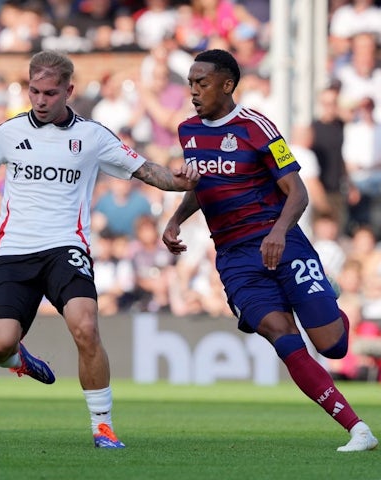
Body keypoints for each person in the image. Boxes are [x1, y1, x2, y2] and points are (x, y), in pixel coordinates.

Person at [0, 50, 200, 448]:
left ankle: (102, 426)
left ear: (69, 90)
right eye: (34, 91)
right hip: (14, 252)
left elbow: (148, 171)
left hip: (66, 247)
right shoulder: (9, 133)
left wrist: (181, 181)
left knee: (85, 327)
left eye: (50, 93)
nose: (41, 101)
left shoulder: (93, 137)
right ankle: (20, 360)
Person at [162, 48, 378, 452]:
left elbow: (297, 192)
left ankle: (325, 295)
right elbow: (205, 186)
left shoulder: (256, 127)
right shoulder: (188, 131)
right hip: (234, 258)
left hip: (282, 242)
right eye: (190, 83)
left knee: (334, 344)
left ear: (227, 85)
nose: (193, 91)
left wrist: (278, 231)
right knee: (282, 335)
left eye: (201, 83)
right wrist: (176, 219)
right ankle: (357, 428)